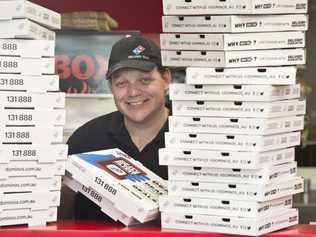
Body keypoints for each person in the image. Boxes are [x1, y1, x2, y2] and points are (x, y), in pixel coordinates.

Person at [66, 35, 172, 220]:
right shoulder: (85, 139)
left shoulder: (195, 137)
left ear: (166, 79)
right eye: (122, 83)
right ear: (111, 87)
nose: (132, 92)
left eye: (144, 80)